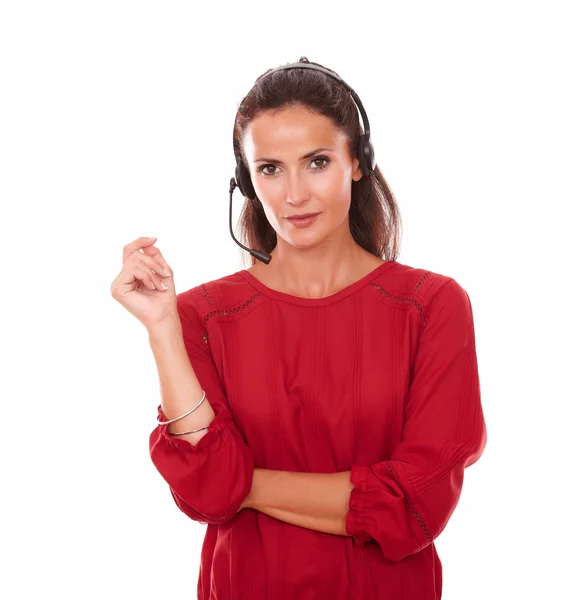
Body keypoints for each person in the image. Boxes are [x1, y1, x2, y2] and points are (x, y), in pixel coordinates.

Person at [111, 57, 487, 600]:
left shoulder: (431, 306)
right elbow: (205, 491)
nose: (293, 195)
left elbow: (414, 506)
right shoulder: (200, 317)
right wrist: (163, 330)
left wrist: (244, 483)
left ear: (357, 162)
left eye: (316, 162)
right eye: (269, 168)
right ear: (245, 180)